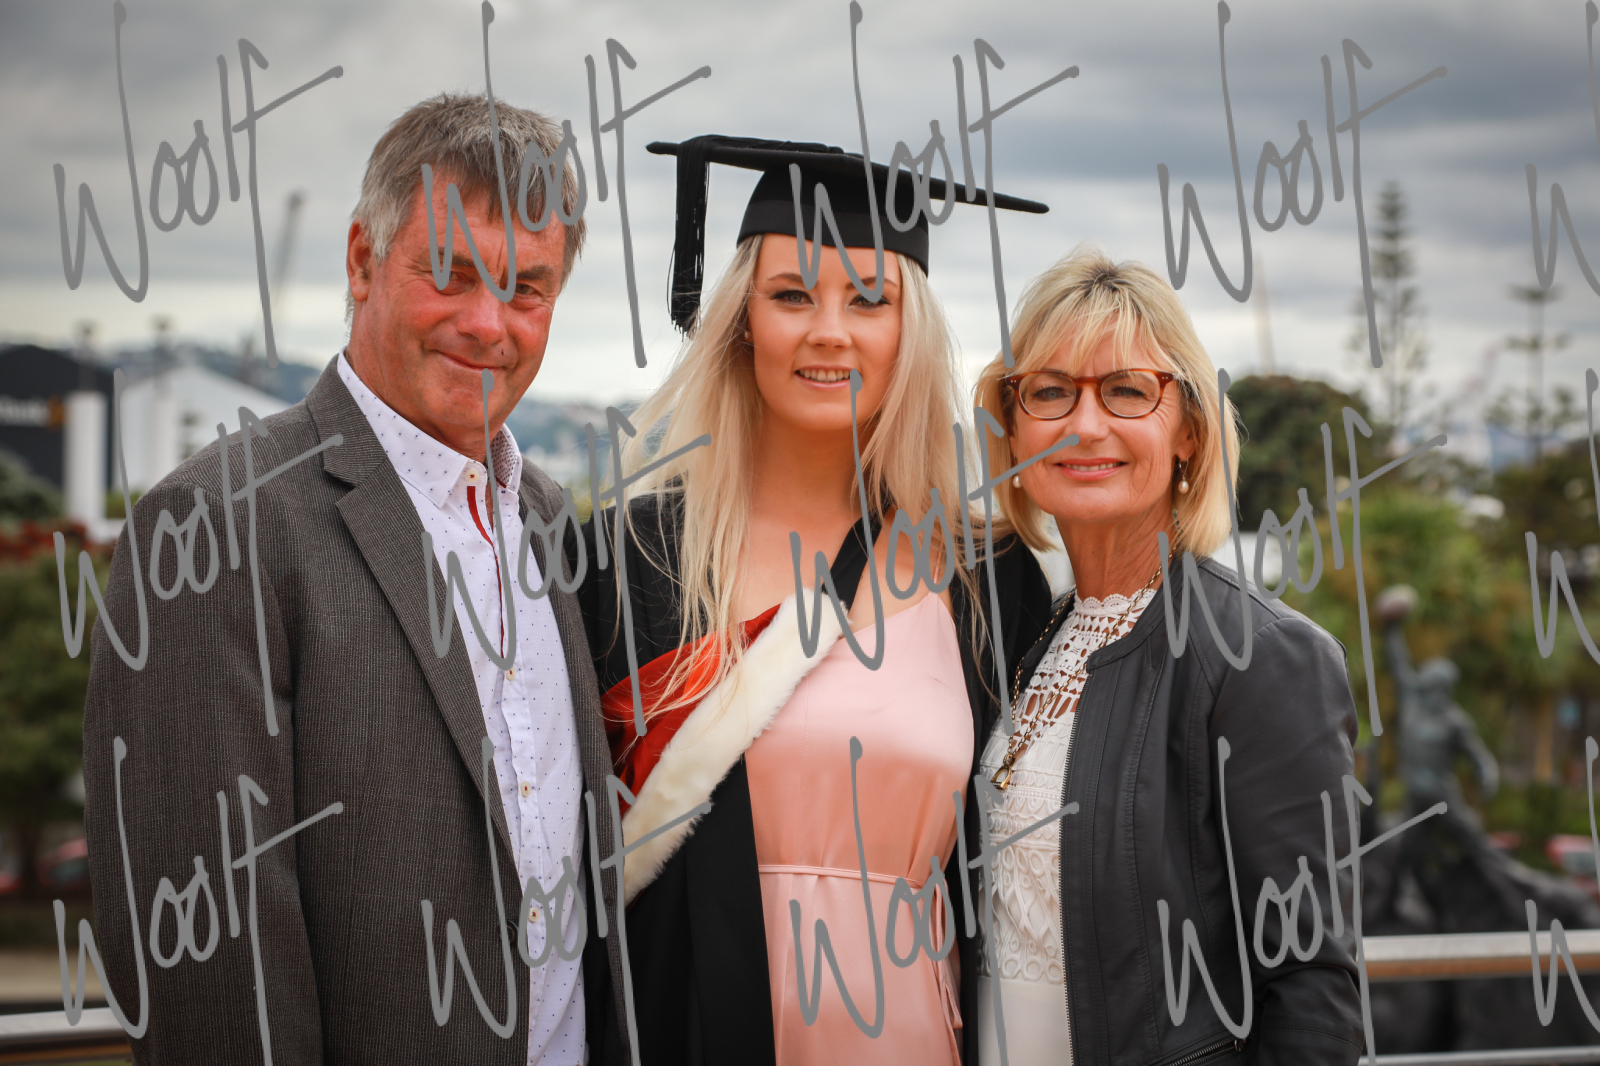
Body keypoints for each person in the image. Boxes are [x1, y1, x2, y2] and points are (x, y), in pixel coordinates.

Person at [82, 94, 629, 1064]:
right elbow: (209, 961)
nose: (488, 324)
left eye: (526, 288)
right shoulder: (216, 525)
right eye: (449, 273)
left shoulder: (546, 520)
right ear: (362, 260)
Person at [571, 136, 1052, 1066]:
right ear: (741, 321)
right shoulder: (631, 561)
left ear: (910, 330)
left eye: (870, 299)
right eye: (792, 295)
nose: (830, 330)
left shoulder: (986, 576)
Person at [970, 249, 1363, 1065]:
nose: (1085, 424)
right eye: (1050, 391)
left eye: (1126, 390)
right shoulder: (1023, 635)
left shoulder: (1259, 655)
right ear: (1013, 428)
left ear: (1188, 429)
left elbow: (1311, 990)